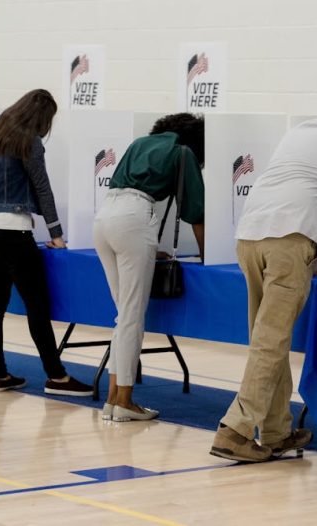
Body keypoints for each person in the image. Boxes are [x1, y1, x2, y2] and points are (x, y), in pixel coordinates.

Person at [210, 117, 317, 462]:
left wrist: (312, 262)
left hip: (250, 236)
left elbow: (295, 191)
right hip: (290, 242)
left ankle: (276, 432)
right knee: (271, 341)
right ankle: (235, 430)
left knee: (268, 339)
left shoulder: (304, 131)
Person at [0, 89, 94, 396]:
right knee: (37, 306)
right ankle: (57, 377)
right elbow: (43, 189)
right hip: (14, 232)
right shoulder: (30, 142)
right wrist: (56, 234)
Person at [93, 113, 206, 422]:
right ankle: (125, 402)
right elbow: (196, 213)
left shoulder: (140, 143)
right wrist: (208, 255)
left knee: (122, 316)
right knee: (131, 316)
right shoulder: (185, 153)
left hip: (104, 218)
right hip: (134, 218)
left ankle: (113, 401)